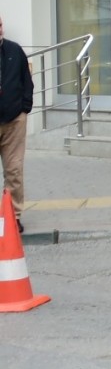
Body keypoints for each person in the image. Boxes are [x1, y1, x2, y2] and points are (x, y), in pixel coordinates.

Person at [0, 16, 34, 235]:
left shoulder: (14, 50)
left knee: (13, 170)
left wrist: (25, 108)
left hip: (13, 120)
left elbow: (26, 80)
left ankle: (14, 216)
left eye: (0, 25)